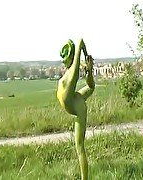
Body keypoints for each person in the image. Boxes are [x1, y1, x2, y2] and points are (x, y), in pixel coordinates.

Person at [56, 38, 95, 180]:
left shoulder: (72, 75)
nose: (62, 61)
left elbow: (80, 41)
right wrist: (86, 60)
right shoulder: (67, 74)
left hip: (78, 107)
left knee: (79, 147)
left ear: (71, 56)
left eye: (65, 56)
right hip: (75, 98)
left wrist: (84, 54)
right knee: (78, 147)